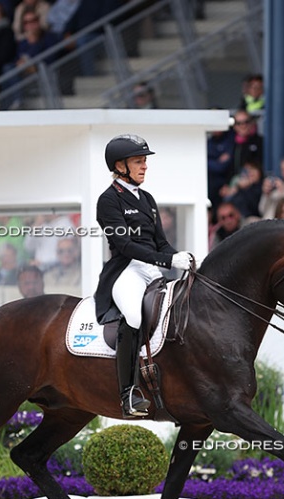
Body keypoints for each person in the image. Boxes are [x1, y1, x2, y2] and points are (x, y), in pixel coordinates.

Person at [94, 134, 191, 418]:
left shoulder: (146, 199)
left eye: (145, 161)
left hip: (151, 268)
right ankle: (128, 393)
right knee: (134, 317)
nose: (145, 166)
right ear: (120, 165)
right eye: (139, 161)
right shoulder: (108, 200)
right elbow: (125, 245)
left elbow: (160, 242)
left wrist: (180, 258)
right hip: (126, 270)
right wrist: (167, 259)